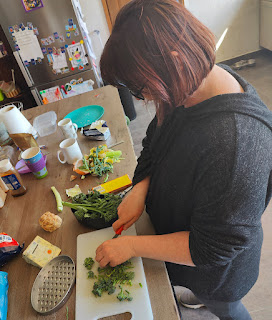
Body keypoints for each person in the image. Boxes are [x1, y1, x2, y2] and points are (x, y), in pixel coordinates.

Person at [95, 1, 272, 319]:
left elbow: (209, 249)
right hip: (184, 242)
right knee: (196, 287)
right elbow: (154, 142)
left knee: (227, 308)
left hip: (219, 272)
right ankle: (197, 292)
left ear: (175, 63)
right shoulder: (187, 88)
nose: (142, 97)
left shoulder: (235, 145)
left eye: (140, 87)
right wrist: (140, 189)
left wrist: (132, 247)